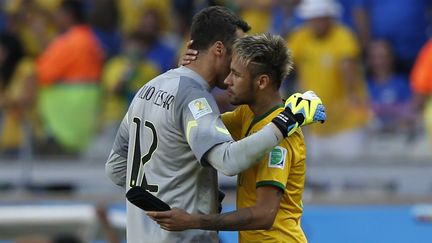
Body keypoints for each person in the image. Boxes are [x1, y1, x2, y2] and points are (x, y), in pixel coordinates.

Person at [105, 6, 325, 243]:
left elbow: (116, 168)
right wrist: (286, 121)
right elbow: (228, 160)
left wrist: (180, 193)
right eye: (236, 51)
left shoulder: (149, 88)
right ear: (219, 49)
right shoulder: (196, 100)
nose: (239, 59)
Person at [148, 33, 310, 243]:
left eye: (236, 75)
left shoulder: (281, 136)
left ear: (261, 82)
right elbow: (196, 130)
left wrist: (195, 221)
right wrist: (186, 75)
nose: (227, 81)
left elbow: (264, 214)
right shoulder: (247, 114)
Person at [287, 0, 370, 160]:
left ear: (328, 18)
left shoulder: (343, 36)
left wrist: (352, 94)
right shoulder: (301, 37)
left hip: (347, 124)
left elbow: (348, 66)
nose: (314, 23)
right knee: (318, 178)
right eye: (311, 18)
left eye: (318, 18)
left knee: (353, 176)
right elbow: (284, 62)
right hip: (316, 125)